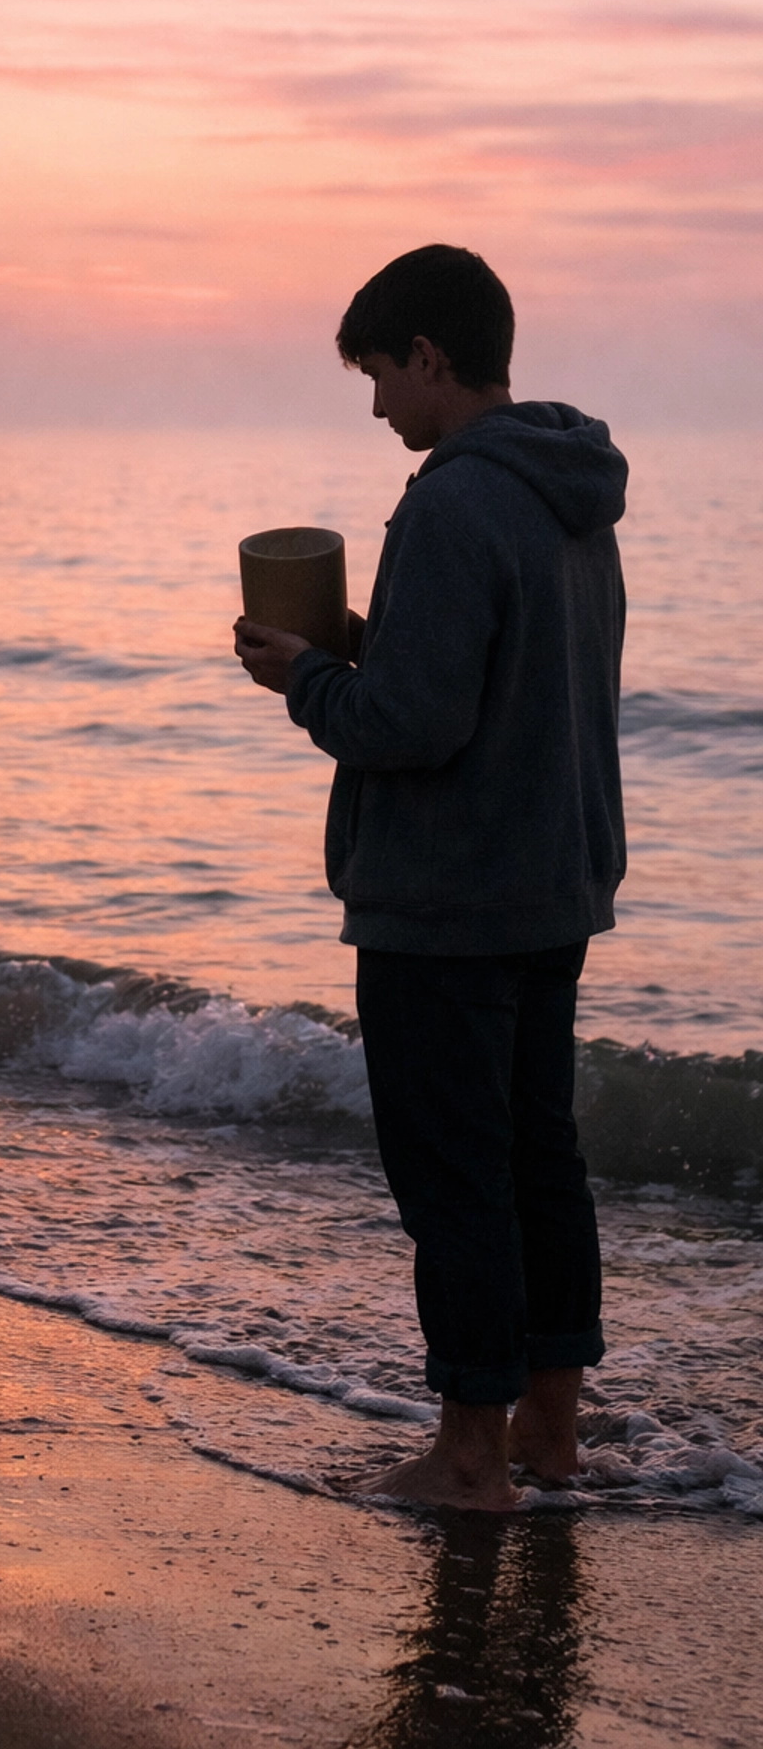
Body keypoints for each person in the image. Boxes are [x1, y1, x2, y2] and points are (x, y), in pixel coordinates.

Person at [234, 244, 625, 1511]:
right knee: (538, 1162)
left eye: (382, 376)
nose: (378, 410)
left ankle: (468, 1458)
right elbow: (490, 680)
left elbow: (411, 727)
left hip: (446, 900)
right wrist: (360, 647)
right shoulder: (567, 491)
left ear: (432, 358)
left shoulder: (455, 500)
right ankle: (550, 1434)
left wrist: (304, 678)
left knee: (457, 1180)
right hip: (548, 880)